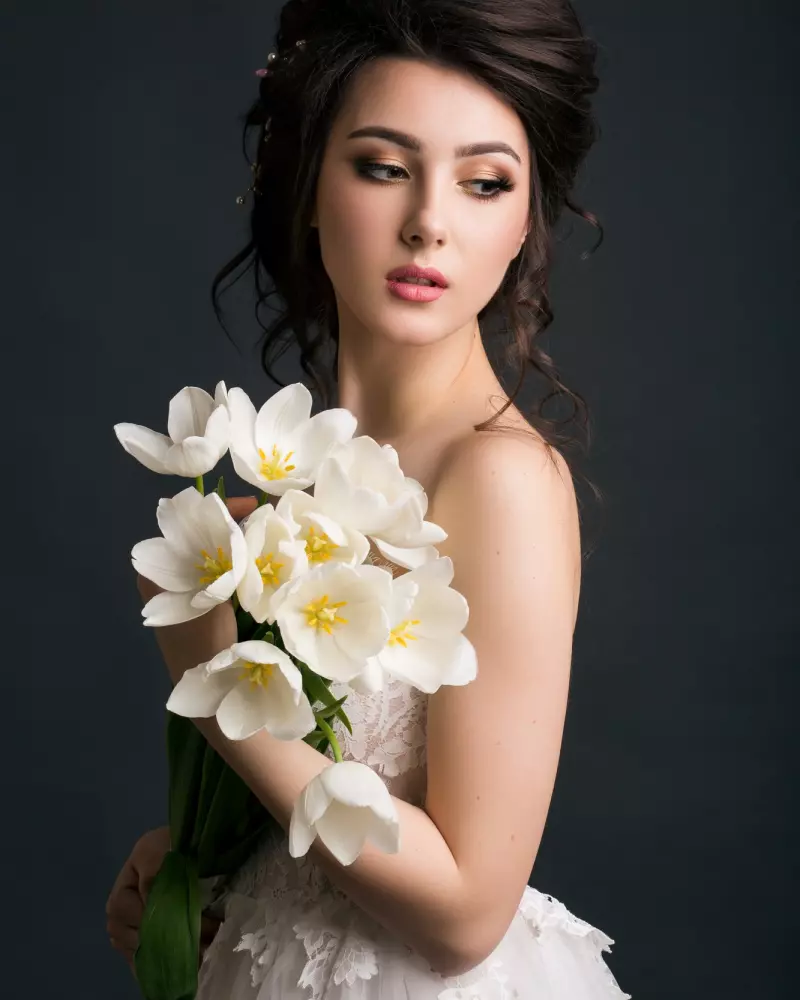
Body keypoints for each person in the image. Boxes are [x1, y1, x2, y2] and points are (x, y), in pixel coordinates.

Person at [107, 1, 631, 996]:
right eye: (383, 166)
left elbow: (466, 911)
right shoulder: (291, 471)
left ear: (524, 220)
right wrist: (203, 862)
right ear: (304, 184)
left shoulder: (498, 478)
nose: (429, 220)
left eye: (483, 183)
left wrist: (223, 692)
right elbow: (334, 802)